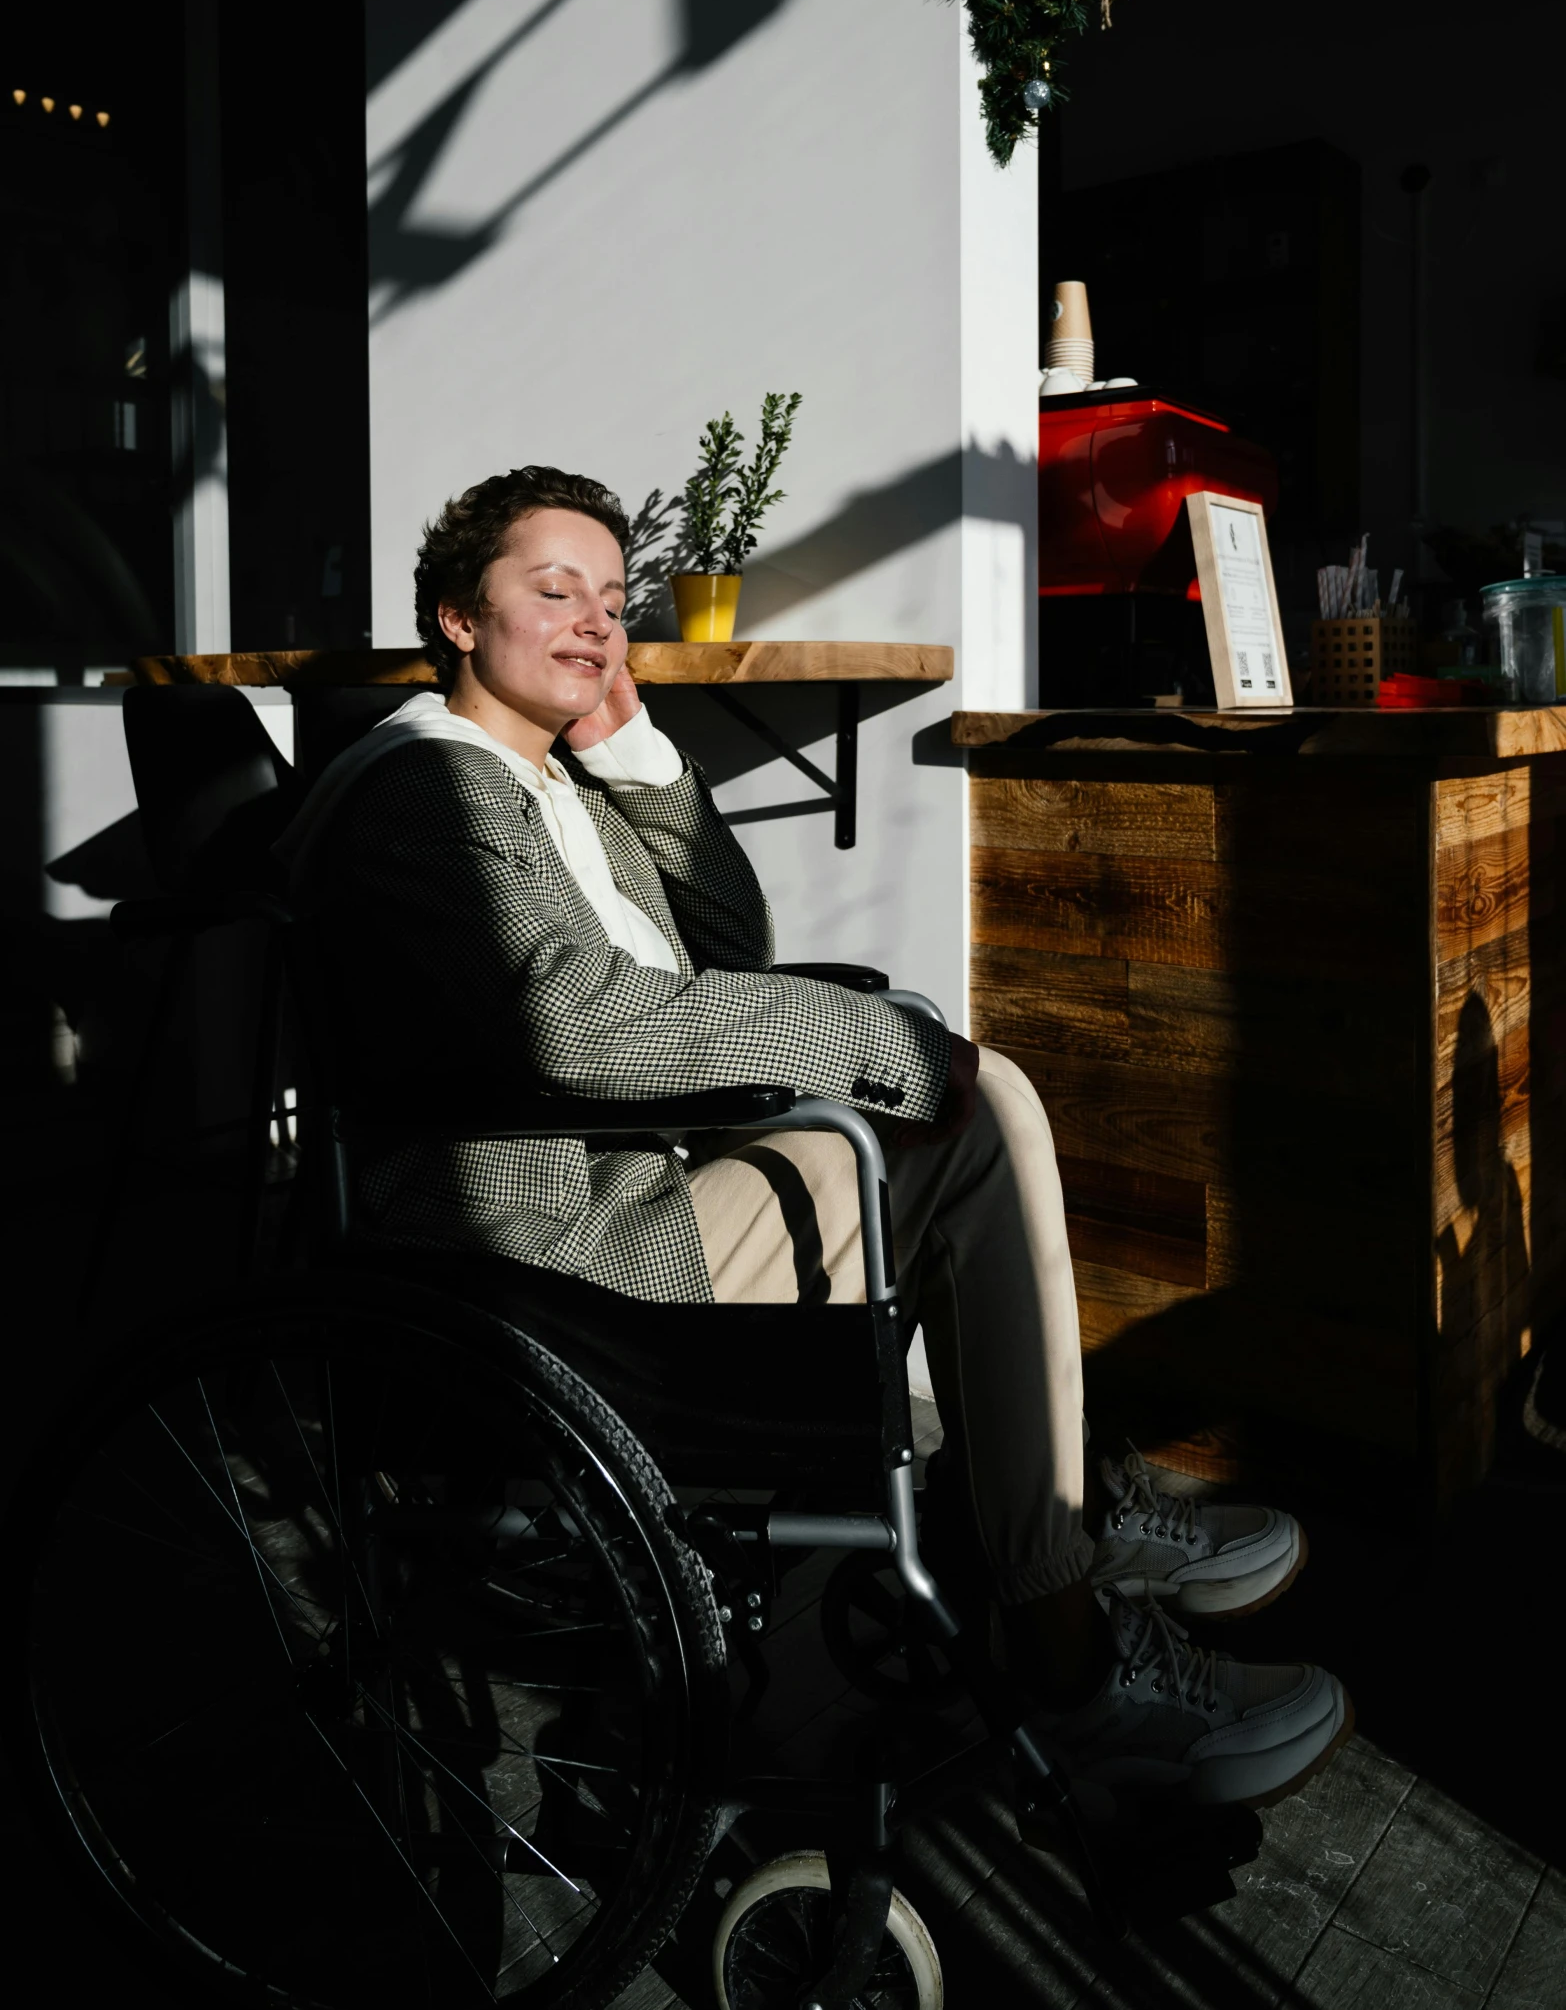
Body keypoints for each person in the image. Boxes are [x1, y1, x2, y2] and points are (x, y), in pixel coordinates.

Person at [280, 465, 1351, 1822]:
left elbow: (727, 949)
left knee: (978, 1099)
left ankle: (1067, 1534)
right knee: (958, 1114)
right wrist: (874, 1049)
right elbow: (566, 1028)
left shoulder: (547, 778)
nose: (593, 624)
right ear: (455, 617)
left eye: (612, 602)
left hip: (636, 1180)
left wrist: (634, 756)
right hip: (545, 1244)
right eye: (552, 593)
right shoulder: (426, 792)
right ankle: (1069, 1648)